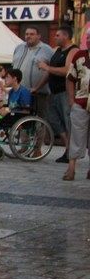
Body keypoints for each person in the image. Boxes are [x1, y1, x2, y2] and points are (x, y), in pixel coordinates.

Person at [37, 26, 78, 164]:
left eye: (57, 35)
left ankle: (70, 153)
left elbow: (67, 70)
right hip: (53, 92)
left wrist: (47, 67)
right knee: (53, 119)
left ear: (66, 36)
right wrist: (37, 87)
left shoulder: (73, 51)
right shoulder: (57, 51)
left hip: (65, 92)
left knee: (68, 122)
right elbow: (49, 72)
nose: (55, 37)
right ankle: (68, 148)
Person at [12, 26, 54, 117]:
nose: (28, 36)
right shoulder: (19, 48)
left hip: (39, 94)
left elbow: (51, 70)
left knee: (41, 118)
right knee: (19, 117)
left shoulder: (47, 50)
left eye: (32, 34)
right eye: (26, 34)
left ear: (39, 36)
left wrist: (37, 87)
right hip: (19, 92)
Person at [64, 46, 90, 180]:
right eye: (89, 38)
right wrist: (71, 100)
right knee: (76, 135)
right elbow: (70, 78)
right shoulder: (79, 55)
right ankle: (71, 168)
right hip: (80, 101)